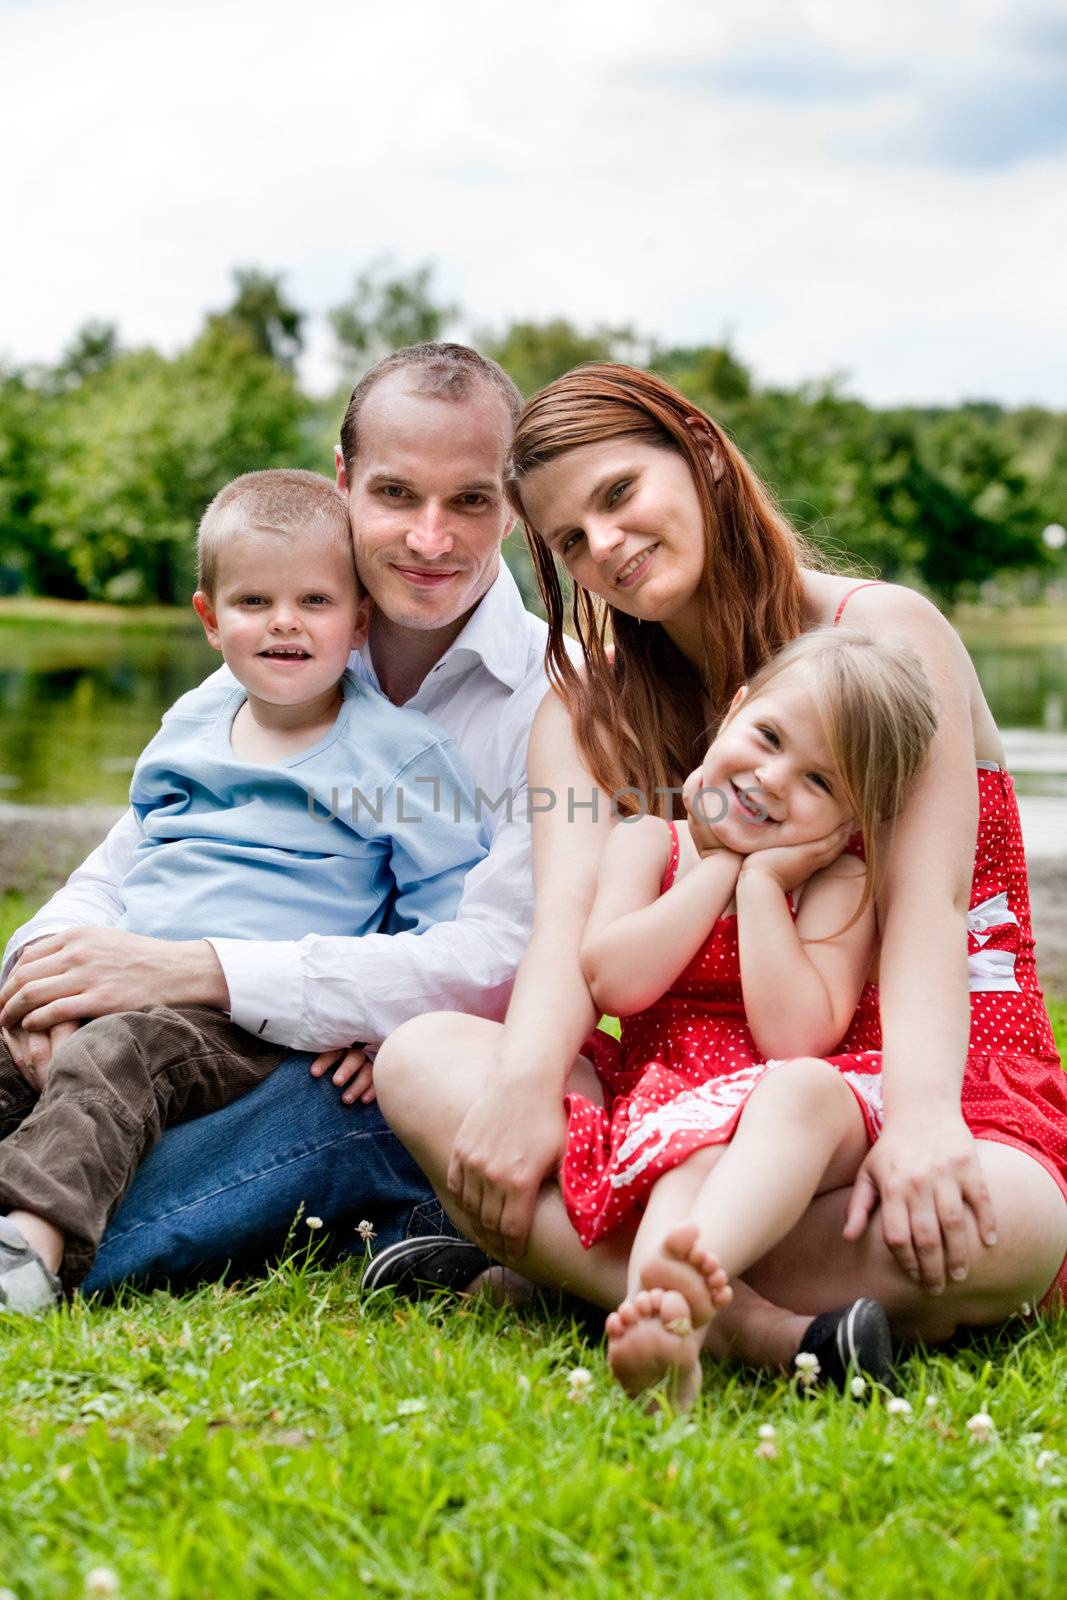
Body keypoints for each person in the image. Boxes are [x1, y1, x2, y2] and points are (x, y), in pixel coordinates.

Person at [371, 362, 1067, 1379]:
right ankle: (758, 1329)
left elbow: (927, 908)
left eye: (617, 495)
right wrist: (525, 1082)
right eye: (567, 539)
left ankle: (575, 1264)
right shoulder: (585, 710)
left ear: (699, 453)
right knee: (423, 1058)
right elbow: (567, 926)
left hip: (912, 1083)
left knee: (1012, 1230)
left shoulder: (881, 639)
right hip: (677, 1097)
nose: (603, 545)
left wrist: (922, 1123)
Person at [0, 344, 551, 1289]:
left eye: (470, 499)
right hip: (179, 1017)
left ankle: (46, 1245)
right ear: (342, 484)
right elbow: (135, 851)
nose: (430, 538)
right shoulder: (283, 647)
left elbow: (499, 954)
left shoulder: (548, 698)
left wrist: (203, 971)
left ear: (515, 501)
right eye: (394, 494)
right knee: (47, 1057)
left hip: (351, 1068)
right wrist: (46, 974)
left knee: (149, 1182)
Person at [560, 628, 936, 1404]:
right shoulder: (647, 843)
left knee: (791, 1090)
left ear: (854, 816)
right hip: (670, 1097)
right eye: (766, 737)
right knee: (686, 1162)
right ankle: (673, 1327)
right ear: (734, 710)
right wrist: (719, 871)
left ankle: (687, 1282)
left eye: (819, 783)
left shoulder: (838, 881)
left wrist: (763, 891)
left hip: (783, 1105)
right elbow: (615, 983)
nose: (769, 779)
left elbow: (796, 1036)